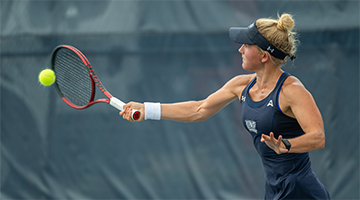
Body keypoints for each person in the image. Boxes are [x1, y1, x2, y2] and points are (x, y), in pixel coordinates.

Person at [120, 13, 331, 200]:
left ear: (264, 56)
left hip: (300, 190)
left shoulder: (292, 91)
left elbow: (318, 136)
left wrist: (287, 145)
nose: (240, 49)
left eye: (246, 46)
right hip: (273, 188)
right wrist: (147, 110)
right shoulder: (241, 85)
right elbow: (199, 109)